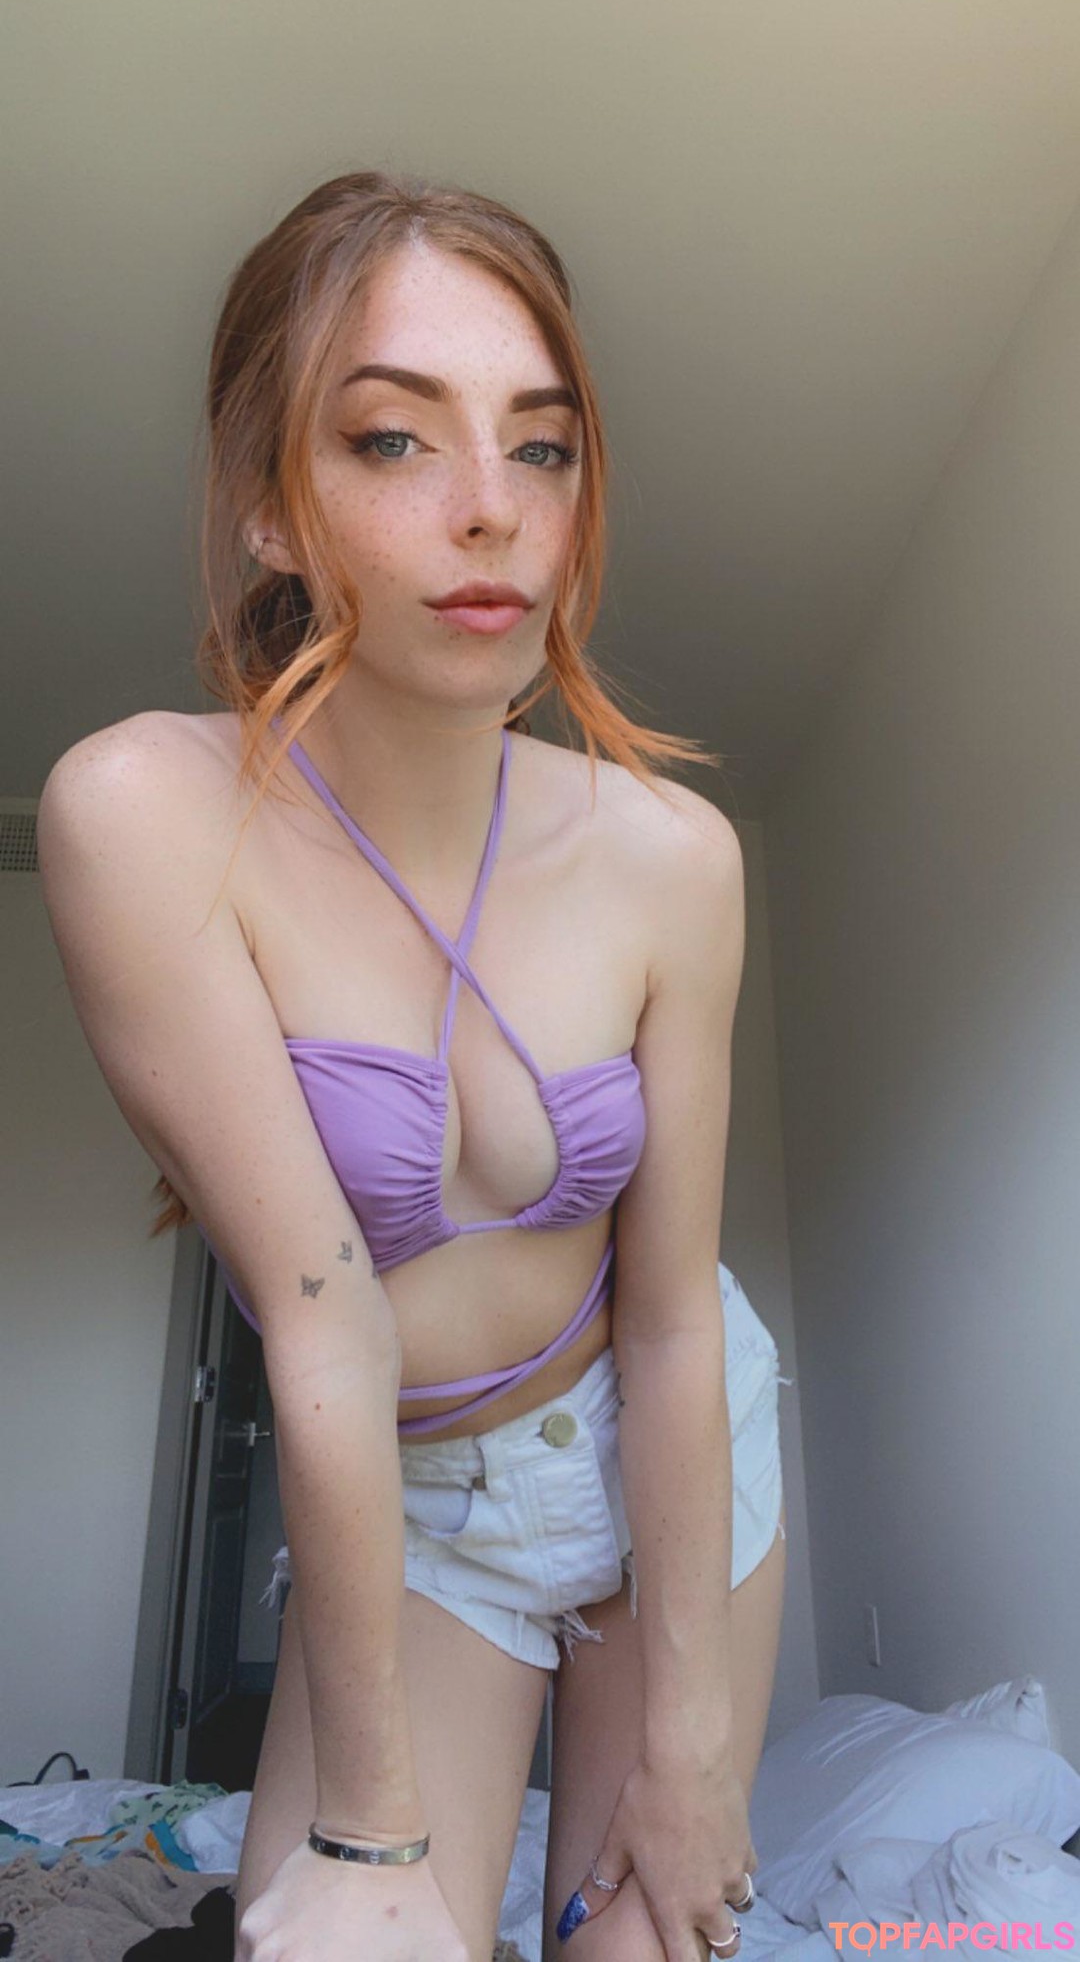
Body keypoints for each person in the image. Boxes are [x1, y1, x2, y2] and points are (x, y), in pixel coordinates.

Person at [37, 171, 787, 1962]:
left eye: (542, 447)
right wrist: (369, 1832)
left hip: (668, 1439)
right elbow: (326, 1327)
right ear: (267, 505)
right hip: (424, 1498)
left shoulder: (676, 860)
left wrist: (691, 1752)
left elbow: (672, 1326)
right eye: (392, 439)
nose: (492, 510)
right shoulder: (142, 815)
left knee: (649, 1934)